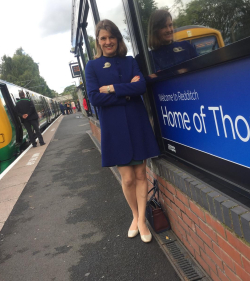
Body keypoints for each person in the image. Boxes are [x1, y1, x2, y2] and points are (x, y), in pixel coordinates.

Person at [85, 19, 160, 243]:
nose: (108, 42)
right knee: (127, 179)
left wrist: (112, 89)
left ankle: (142, 221)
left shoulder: (129, 61)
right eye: (103, 38)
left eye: (112, 37)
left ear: (118, 38)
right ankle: (135, 215)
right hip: (115, 128)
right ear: (98, 42)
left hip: (136, 123)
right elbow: (95, 98)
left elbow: (140, 86)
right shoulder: (92, 66)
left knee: (140, 175)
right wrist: (127, 94)